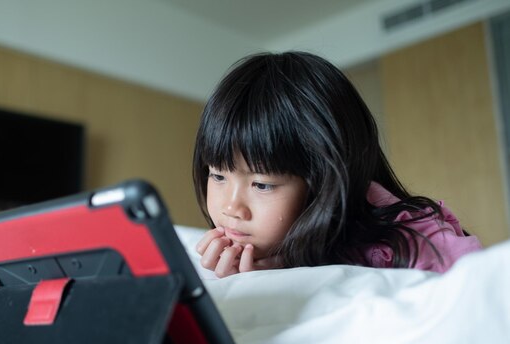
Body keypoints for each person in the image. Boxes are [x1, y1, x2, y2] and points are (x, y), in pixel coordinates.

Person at [192, 51, 482, 278]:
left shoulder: (403, 240)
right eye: (217, 176)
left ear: (324, 180)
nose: (231, 208)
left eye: (262, 184)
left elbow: (475, 286)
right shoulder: (240, 252)